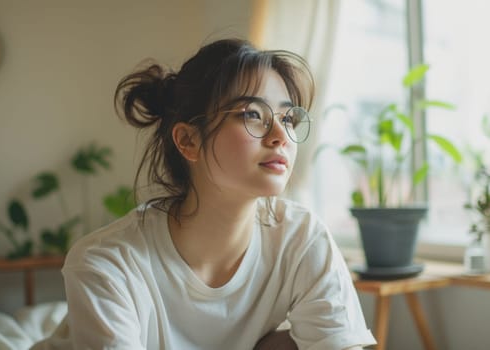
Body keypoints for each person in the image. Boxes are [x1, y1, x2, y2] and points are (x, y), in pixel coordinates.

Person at [33, 38, 376, 350]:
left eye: (288, 118)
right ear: (188, 140)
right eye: (253, 115)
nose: (280, 135)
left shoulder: (300, 238)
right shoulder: (109, 263)